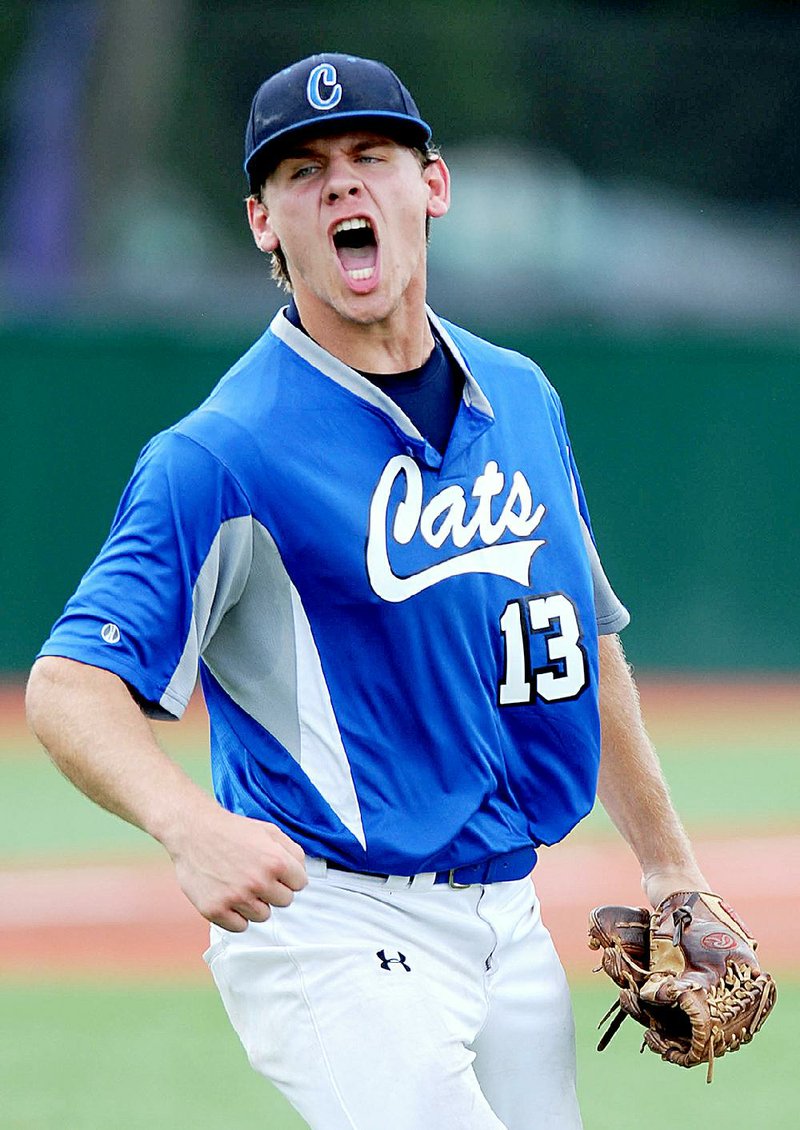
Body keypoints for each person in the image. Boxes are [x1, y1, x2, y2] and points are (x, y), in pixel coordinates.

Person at [26, 53, 710, 1130]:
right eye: (303, 170)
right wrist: (184, 822)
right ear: (264, 222)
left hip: (505, 920)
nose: (342, 185)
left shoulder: (519, 396)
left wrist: (668, 862)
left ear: (429, 186)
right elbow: (69, 685)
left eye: (370, 155)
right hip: (328, 924)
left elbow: (582, 629)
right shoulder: (221, 452)